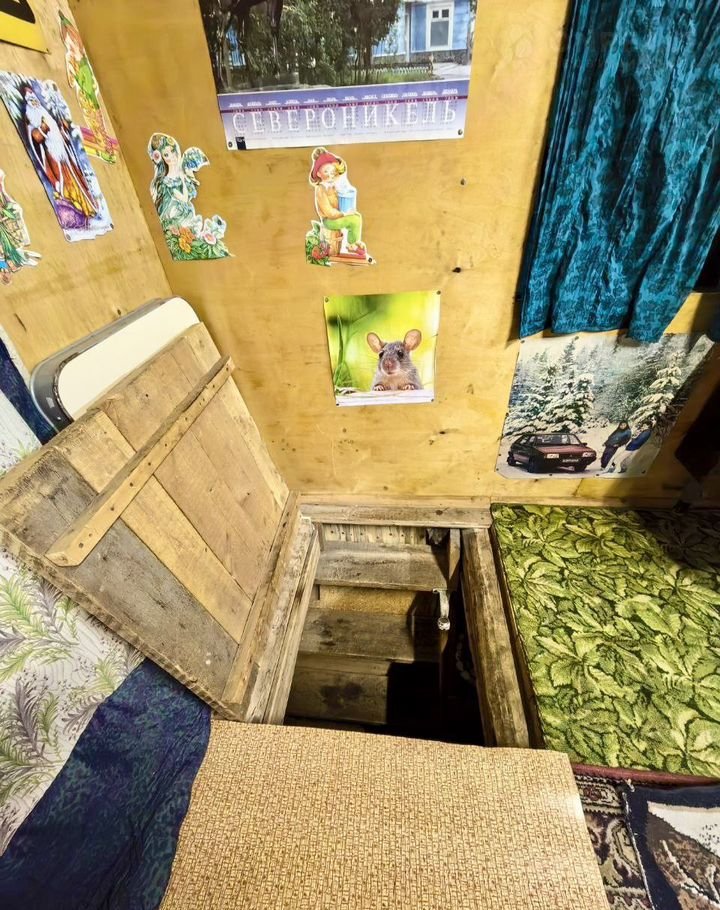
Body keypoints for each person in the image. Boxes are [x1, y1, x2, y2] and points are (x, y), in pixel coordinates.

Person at [23, 85, 97, 220]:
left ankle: (87, 207)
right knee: (65, 183)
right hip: (52, 154)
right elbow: (36, 137)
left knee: (76, 179)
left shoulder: (45, 113)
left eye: (34, 98)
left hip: (63, 153)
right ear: (28, 102)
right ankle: (75, 205)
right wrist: (43, 128)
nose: (34, 102)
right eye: (30, 99)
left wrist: (62, 130)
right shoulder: (32, 117)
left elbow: (60, 135)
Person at [309, 148, 366, 256]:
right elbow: (329, 212)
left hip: (336, 217)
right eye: (326, 171)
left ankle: (354, 243)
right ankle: (352, 245)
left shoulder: (333, 186)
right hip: (328, 221)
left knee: (356, 216)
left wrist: (348, 209)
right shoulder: (321, 189)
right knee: (354, 219)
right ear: (319, 174)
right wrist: (344, 214)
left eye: (332, 172)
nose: (330, 175)